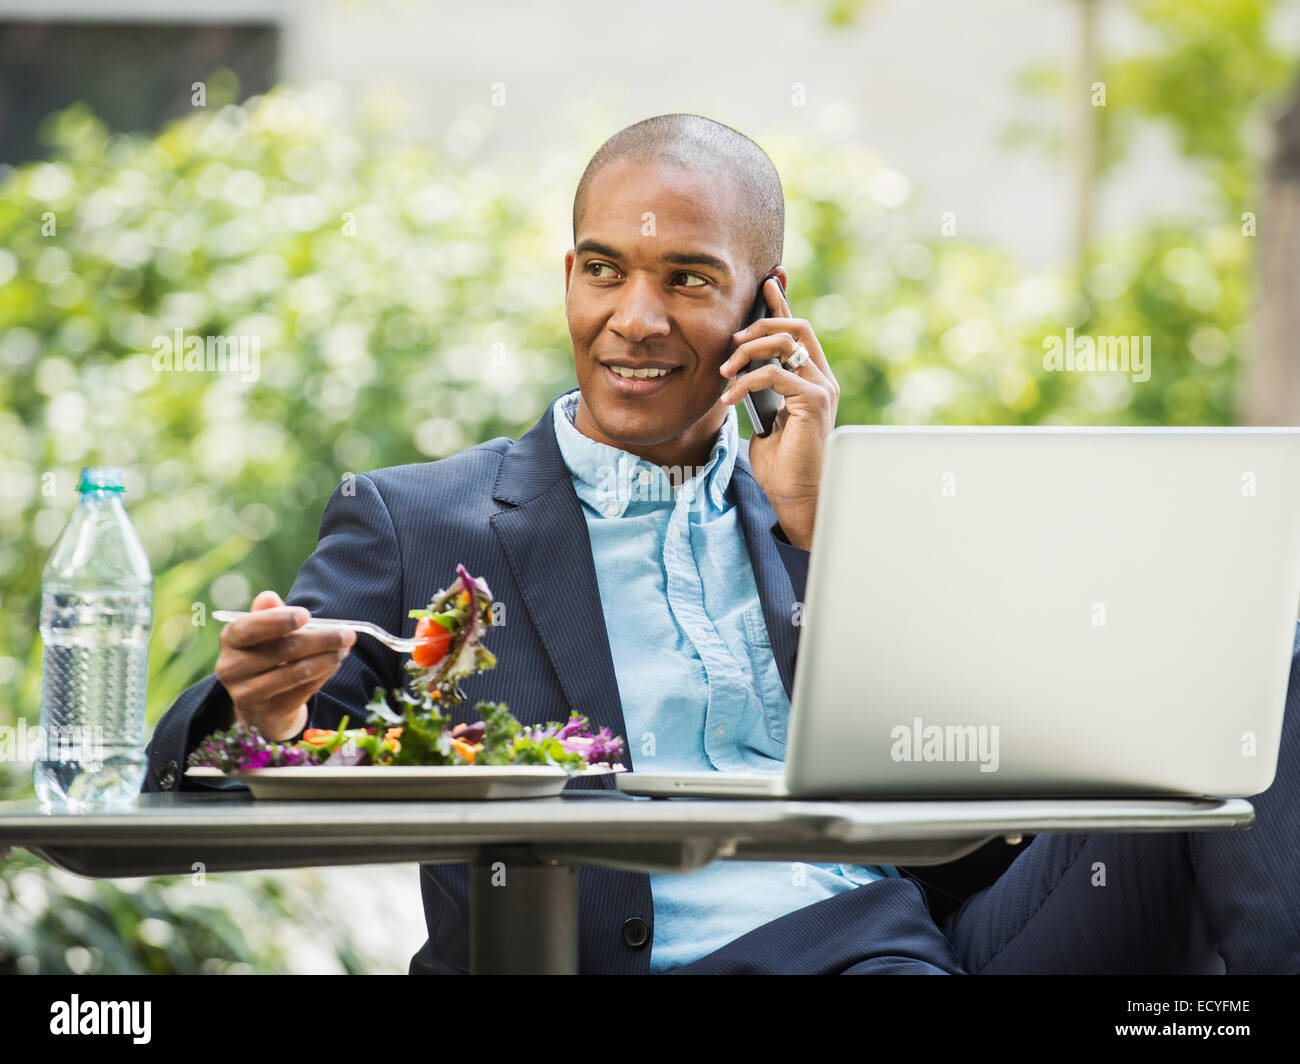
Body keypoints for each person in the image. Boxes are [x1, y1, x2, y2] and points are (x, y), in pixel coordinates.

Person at [142, 113, 1300, 975]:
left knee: (1244, 675)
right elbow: (236, 747)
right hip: (616, 955)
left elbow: (1000, 755)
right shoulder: (425, 516)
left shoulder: (836, 504)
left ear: (766, 305)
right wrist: (263, 708)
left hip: (897, 941)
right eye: (604, 270)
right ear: (569, 278)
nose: (633, 319)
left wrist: (817, 524)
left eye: (687, 280)